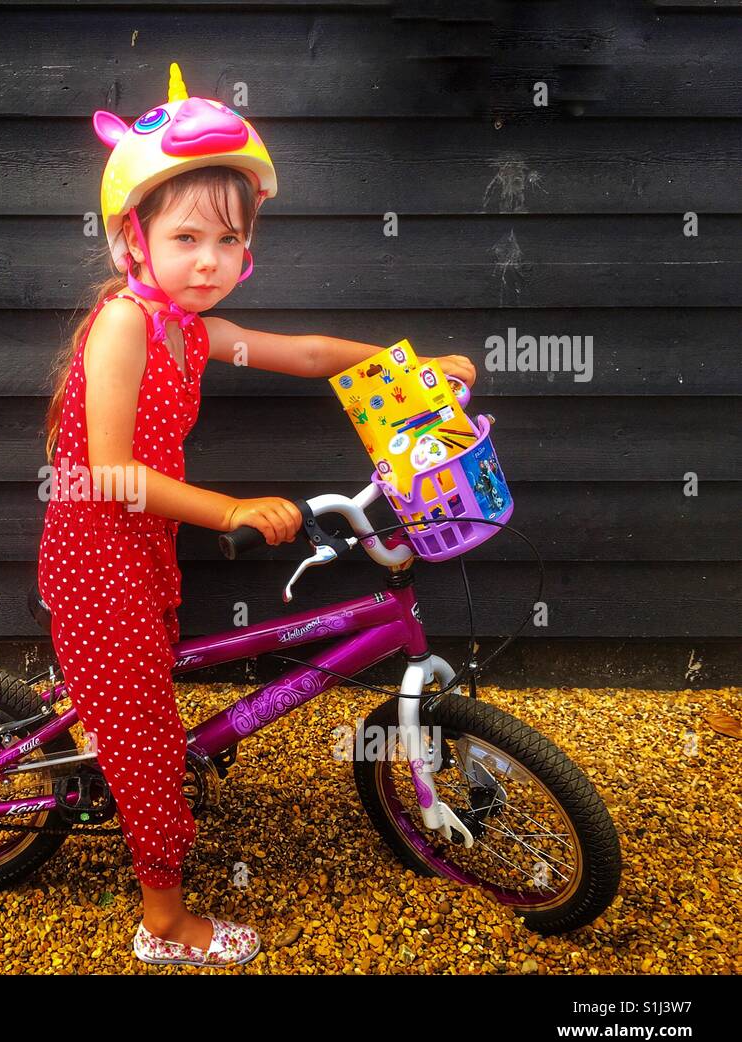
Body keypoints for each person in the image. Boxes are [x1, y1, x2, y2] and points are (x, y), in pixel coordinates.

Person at [37, 62, 475, 968]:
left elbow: (307, 351)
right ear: (135, 239)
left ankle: (105, 731)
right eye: (187, 236)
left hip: (138, 548)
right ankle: (162, 921)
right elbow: (112, 472)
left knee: (141, 692)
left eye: (228, 241)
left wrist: (410, 367)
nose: (209, 260)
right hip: (98, 553)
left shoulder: (188, 326)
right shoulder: (124, 323)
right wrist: (231, 507)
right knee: (154, 746)